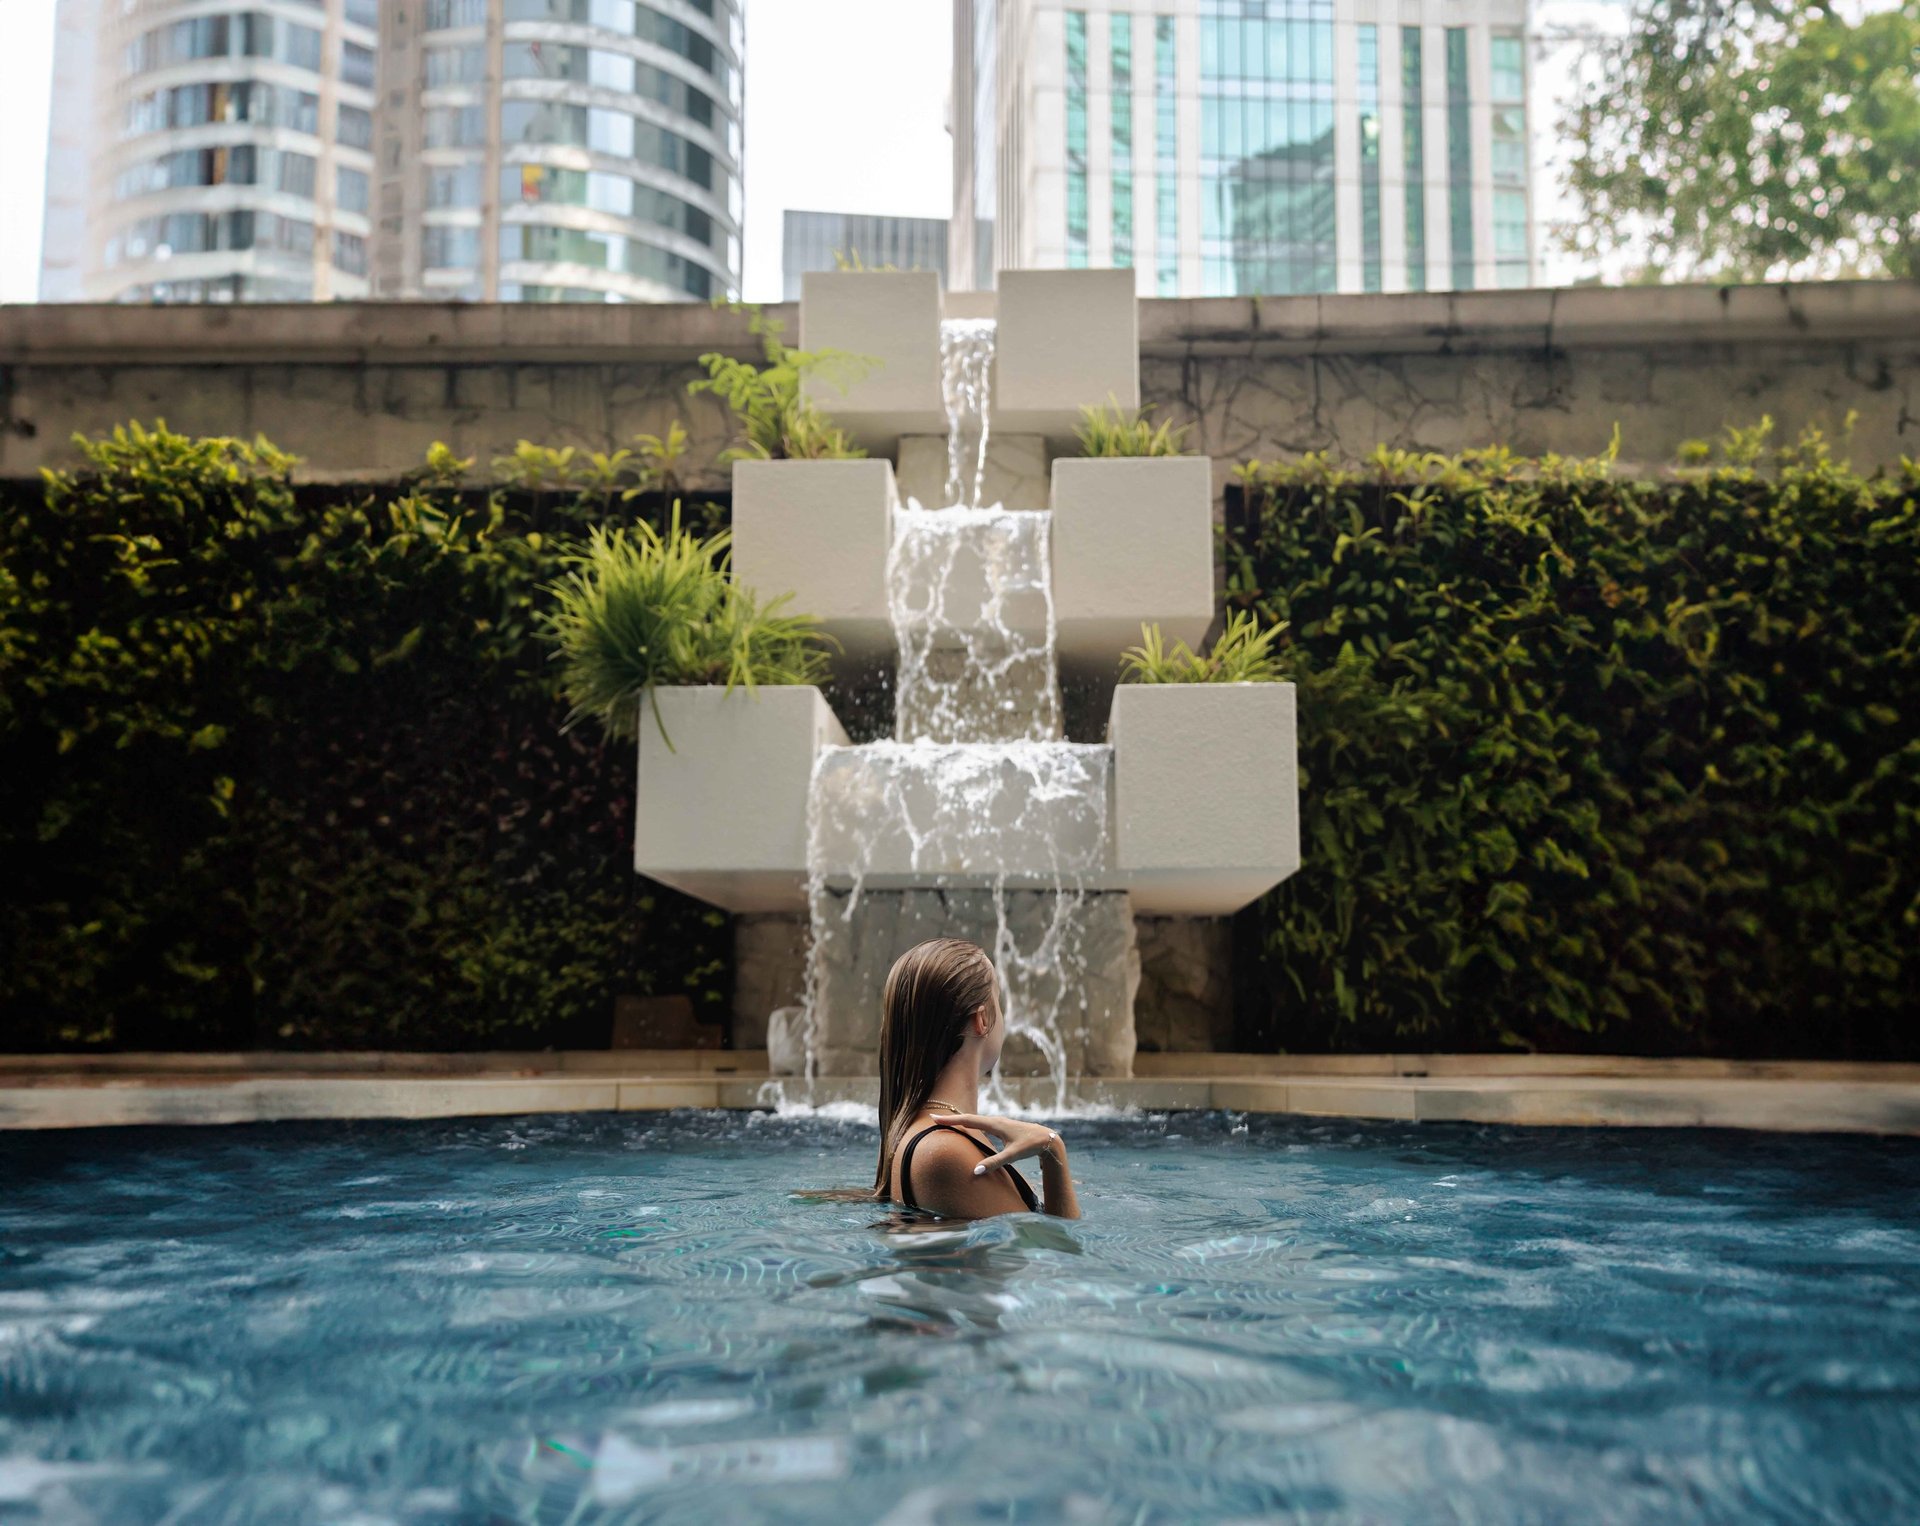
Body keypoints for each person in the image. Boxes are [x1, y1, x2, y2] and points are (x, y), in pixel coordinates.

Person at [871, 938, 1080, 1221]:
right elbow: (1061, 1251)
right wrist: (1053, 1149)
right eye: (998, 1001)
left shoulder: (928, 1133)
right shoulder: (944, 1151)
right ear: (981, 1019)